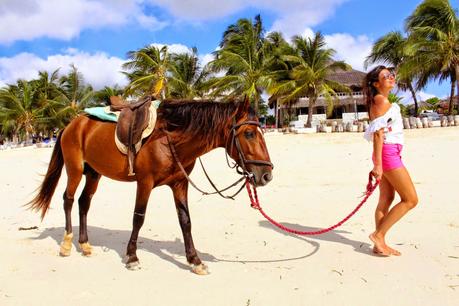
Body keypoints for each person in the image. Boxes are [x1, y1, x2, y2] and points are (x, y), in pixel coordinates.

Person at [363, 65, 418, 256]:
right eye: (386, 76)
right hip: (387, 154)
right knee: (410, 199)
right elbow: (378, 135)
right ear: (377, 83)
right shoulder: (380, 100)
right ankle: (378, 235)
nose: (391, 77)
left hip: (388, 153)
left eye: (392, 74)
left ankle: (380, 244)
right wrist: (378, 165)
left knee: (386, 199)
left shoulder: (382, 100)